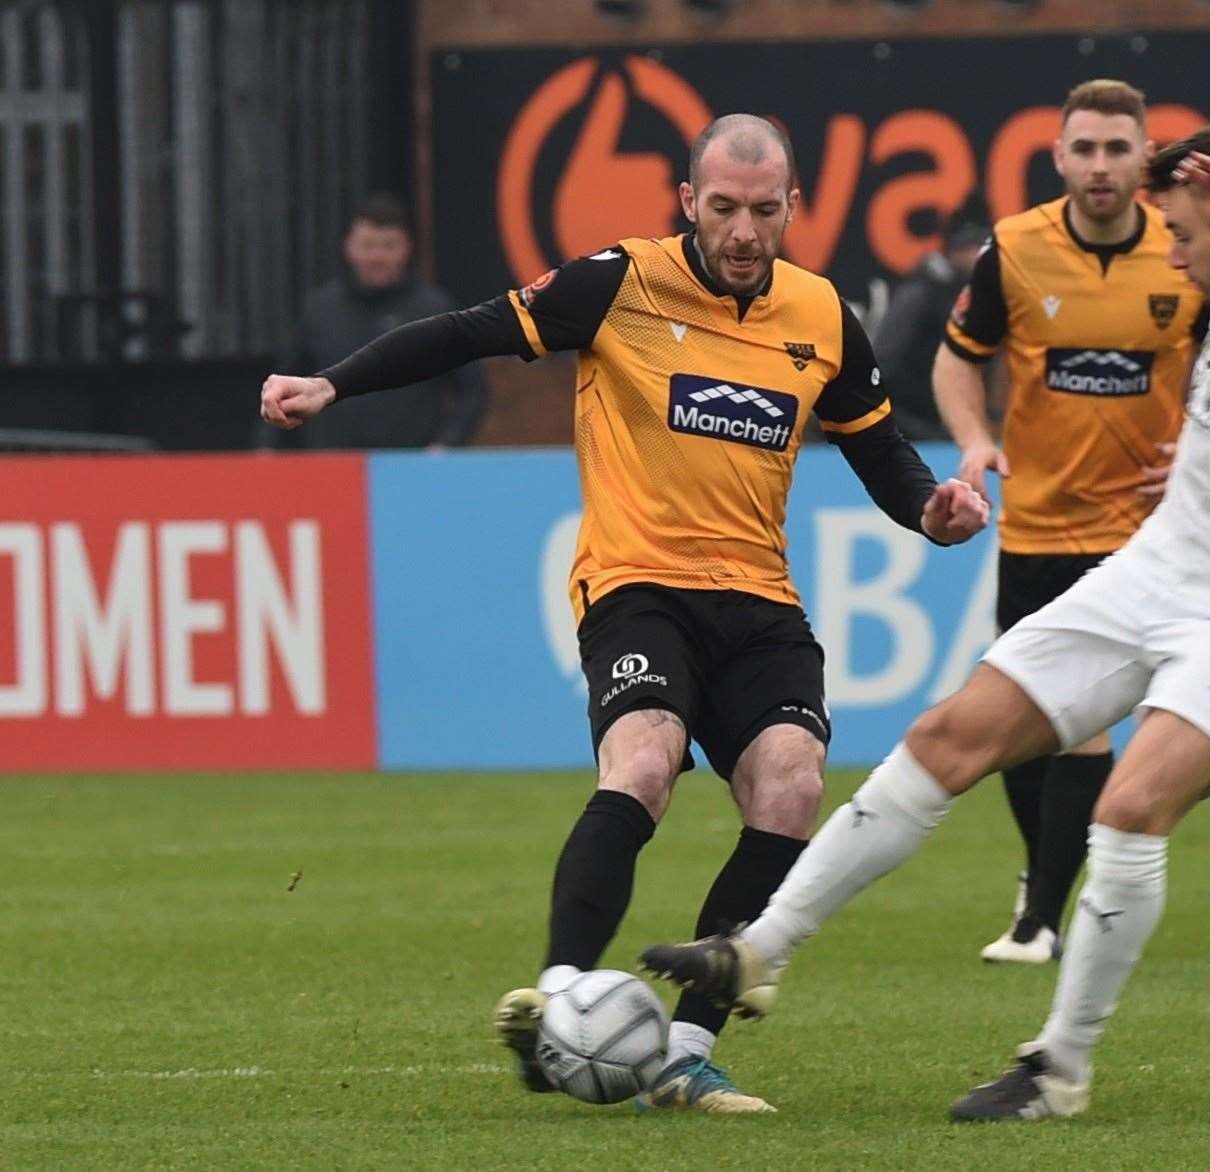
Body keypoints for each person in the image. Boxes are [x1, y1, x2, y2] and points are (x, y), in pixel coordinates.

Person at [640, 121, 1210, 1121]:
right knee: (947, 735)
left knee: (1129, 805)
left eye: (1186, 232)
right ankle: (753, 952)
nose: (1169, 250)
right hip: (1156, 569)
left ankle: (1059, 1066)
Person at [259, 114, 989, 1114]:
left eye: (763, 210)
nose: (742, 231)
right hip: (638, 586)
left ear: (792, 208)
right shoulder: (618, 282)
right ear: (689, 201)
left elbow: (878, 446)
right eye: (723, 208)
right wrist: (334, 383)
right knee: (644, 763)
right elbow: (467, 331)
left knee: (791, 784)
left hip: (760, 600)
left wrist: (932, 509)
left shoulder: (822, 313)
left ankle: (685, 1053)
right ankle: (560, 998)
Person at [935, 79, 1204, 965]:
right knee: (1023, 719)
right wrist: (975, 438)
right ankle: (1044, 882)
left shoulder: (1185, 252)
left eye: (1116, 149)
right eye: (1083, 149)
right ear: (1059, 158)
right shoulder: (1015, 250)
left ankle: (1041, 920)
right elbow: (957, 360)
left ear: (1144, 157)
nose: (1099, 167)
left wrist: (1203, 451)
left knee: (1082, 720)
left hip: (1143, 533)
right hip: (1038, 526)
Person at [259, 194, 488, 450]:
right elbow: (285, 382)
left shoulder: (435, 310)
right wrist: (269, 451)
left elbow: (473, 390)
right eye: (368, 245)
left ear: (406, 248)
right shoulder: (320, 310)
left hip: (412, 466)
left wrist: (447, 443)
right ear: (349, 247)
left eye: (388, 246)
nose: (377, 257)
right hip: (332, 466)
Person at [869, 203, 991, 442]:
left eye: (982, 247)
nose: (977, 256)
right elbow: (882, 366)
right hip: (910, 425)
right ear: (954, 250)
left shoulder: (975, 293)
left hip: (943, 423)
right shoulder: (922, 293)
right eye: (971, 247)